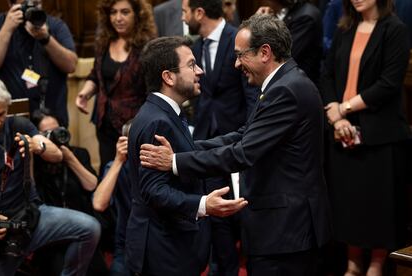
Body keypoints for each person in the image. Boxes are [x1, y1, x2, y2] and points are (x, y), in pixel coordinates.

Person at [140, 15, 332, 275]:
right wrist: (188, 147)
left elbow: (242, 152)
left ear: (265, 52)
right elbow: (243, 135)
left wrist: (175, 162)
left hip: (286, 231)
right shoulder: (283, 83)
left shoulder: (285, 90)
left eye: (241, 55)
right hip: (282, 229)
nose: (236, 63)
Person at [126, 36, 247, 276]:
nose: (200, 71)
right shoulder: (158, 121)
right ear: (168, 77)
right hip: (164, 252)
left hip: (170, 247)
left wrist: (245, 134)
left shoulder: (162, 113)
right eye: (192, 65)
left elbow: (190, 149)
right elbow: (154, 191)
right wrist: (204, 205)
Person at [321, 0, 411, 275]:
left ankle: (376, 265)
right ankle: (352, 264)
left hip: (380, 134)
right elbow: (327, 74)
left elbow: (388, 83)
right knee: (349, 205)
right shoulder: (345, 28)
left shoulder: (394, 29)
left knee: (378, 206)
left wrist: (345, 107)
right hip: (343, 130)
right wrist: (336, 116)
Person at [181, 0, 258, 274]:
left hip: (240, 141)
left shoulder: (236, 38)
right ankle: (224, 268)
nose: (183, 16)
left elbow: (251, 94)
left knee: (246, 209)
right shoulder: (196, 47)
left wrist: (250, 134)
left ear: (199, 13)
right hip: (207, 141)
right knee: (216, 214)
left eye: (185, 10)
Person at [0, 79, 101, 276]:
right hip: (2, 231)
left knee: (90, 228)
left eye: (1, 114)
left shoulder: (18, 125)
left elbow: (57, 155)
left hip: (31, 215)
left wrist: (40, 146)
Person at [75, 0, 156, 172]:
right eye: (113, 12)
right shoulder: (104, 42)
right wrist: (85, 93)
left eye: (125, 12)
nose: (118, 18)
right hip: (104, 123)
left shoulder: (147, 47)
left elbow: (153, 89)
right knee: (107, 171)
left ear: (138, 15)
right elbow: (96, 75)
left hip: (134, 125)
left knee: (133, 174)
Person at [0, 0, 77, 127]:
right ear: (10, 5)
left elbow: (71, 65)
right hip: (10, 120)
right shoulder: (1, 24)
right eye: (26, 5)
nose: (32, 9)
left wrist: (46, 38)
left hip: (52, 119)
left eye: (36, 4)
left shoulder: (55, 25)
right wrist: (7, 29)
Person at [93, 121, 132, 276]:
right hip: (126, 245)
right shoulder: (117, 166)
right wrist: (118, 160)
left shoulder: (162, 163)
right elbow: (98, 203)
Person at [256, 0, 322, 85]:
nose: (267, 3)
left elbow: (283, 56)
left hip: (298, 86)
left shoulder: (306, 17)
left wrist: (262, 24)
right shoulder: (293, 11)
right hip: (288, 81)